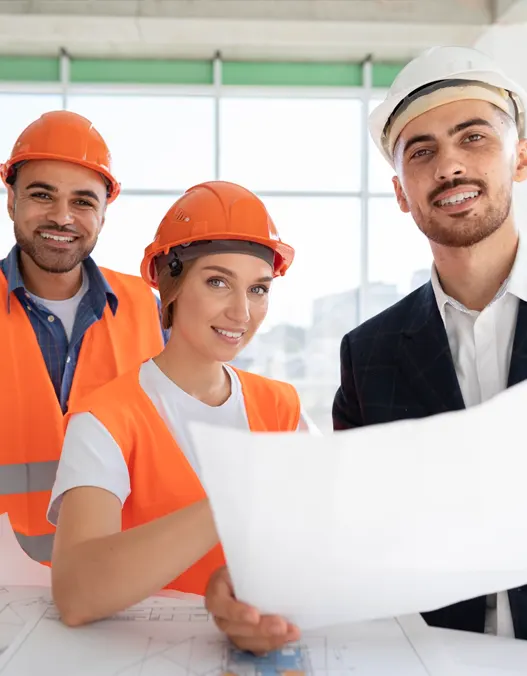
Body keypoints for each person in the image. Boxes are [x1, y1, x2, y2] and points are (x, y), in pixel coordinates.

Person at [48, 181, 315, 649]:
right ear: (170, 286)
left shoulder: (282, 406)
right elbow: (76, 592)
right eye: (217, 282)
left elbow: (325, 536)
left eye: (258, 289)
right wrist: (234, 500)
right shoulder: (105, 418)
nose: (241, 311)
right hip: (140, 655)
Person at [333, 45, 527, 639]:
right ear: (400, 192)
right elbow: (353, 526)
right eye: (422, 152)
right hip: (429, 652)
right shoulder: (368, 354)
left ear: (520, 158)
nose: (449, 167)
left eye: (473, 138)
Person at [0, 110, 167, 568]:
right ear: (10, 199)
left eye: (83, 202)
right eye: (42, 195)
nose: (62, 217)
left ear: (103, 214)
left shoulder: (150, 311)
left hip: (120, 574)